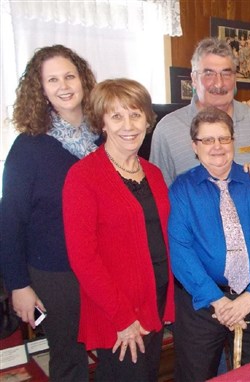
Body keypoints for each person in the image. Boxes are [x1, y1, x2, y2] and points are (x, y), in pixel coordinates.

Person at [62, 79, 175, 381]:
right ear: (102, 123)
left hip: (155, 301)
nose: (129, 125)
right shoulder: (83, 176)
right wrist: (123, 317)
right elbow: (83, 259)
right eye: (117, 116)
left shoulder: (152, 172)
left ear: (147, 120)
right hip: (118, 314)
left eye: (136, 114)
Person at [0, 44, 97, 381]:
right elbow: (10, 221)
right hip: (55, 275)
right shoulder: (28, 147)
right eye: (52, 79)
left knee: (114, 347)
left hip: (102, 264)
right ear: (40, 90)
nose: (64, 85)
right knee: (69, 356)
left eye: (70, 75)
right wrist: (19, 286)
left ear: (83, 80)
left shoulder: (105, 136)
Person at [168, 106, 250, 381]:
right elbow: (180, 250)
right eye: (207, 140)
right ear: (194, 146)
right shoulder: (182, 189)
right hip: (203, 305)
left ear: (234, 140)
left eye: (223, 138)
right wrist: (219, 303)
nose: (217, 147)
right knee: (196, 375)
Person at [150, 37, 250, 186]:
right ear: (194, 79)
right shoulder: (167, 130)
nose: (219, 83)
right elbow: (158, 193)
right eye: (209, 73)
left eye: (226, 73)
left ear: (235, 78)